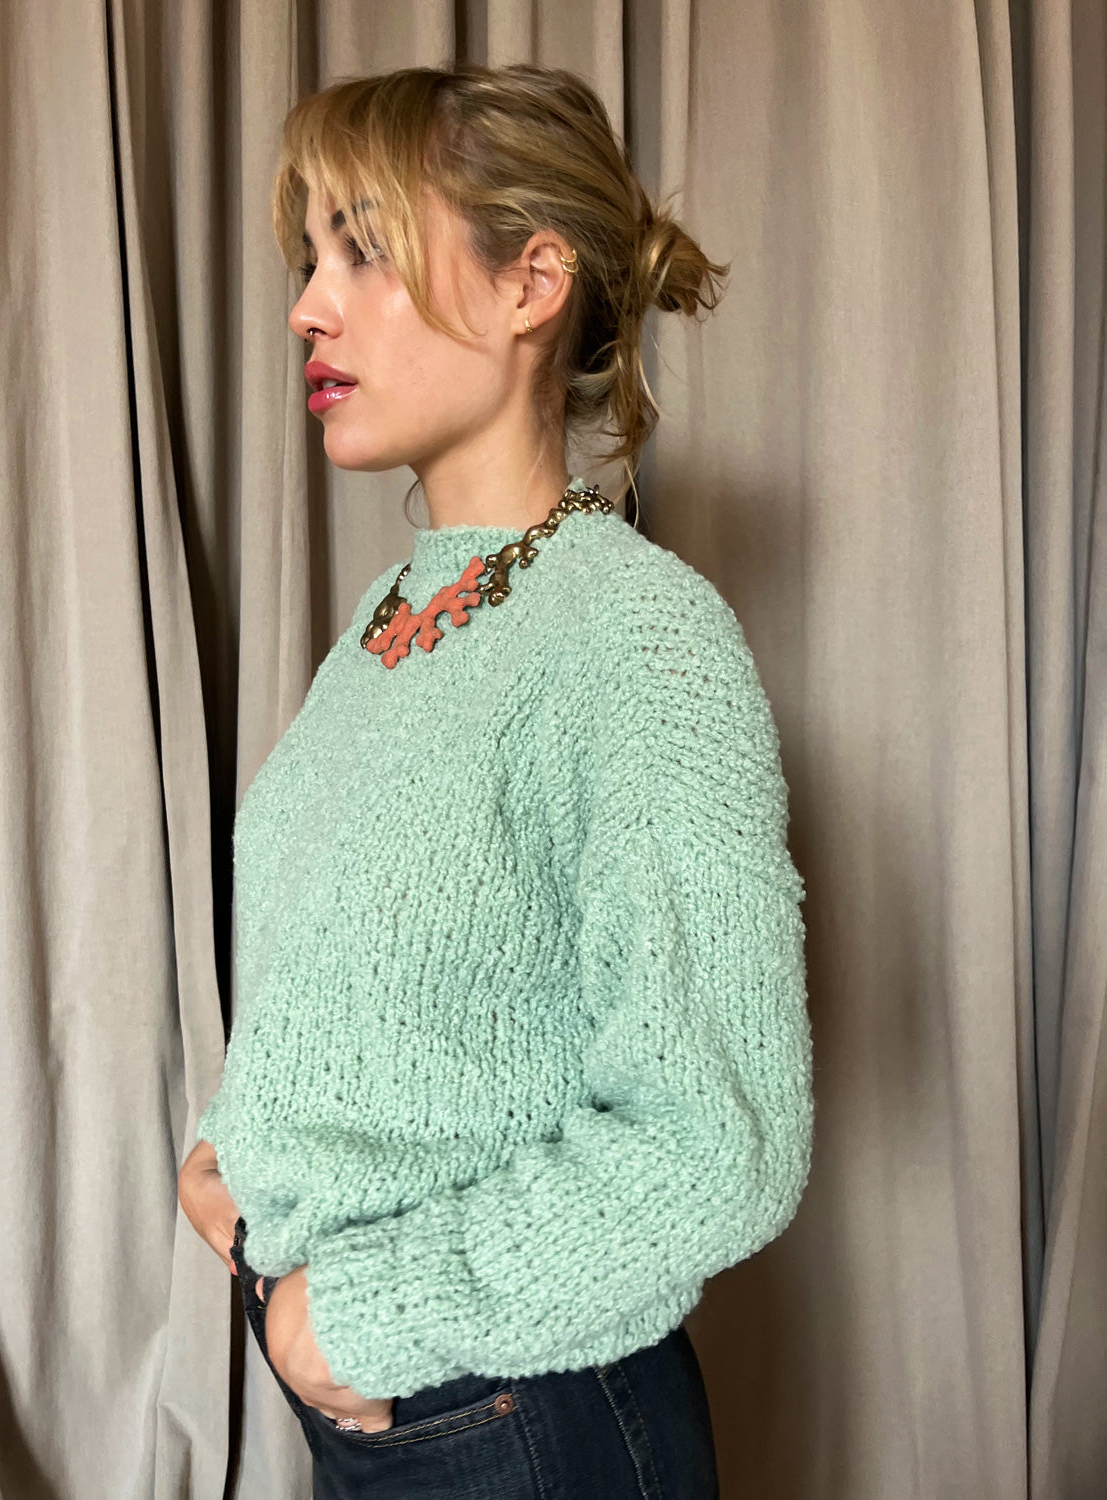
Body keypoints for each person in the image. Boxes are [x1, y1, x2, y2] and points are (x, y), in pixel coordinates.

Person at [178, 60, 812, 1499]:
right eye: (308, 258)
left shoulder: (638, 634)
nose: (308, 307)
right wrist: (237, 1150)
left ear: (533, 281)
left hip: (531, 1418)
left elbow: (721, 1139)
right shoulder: (389, 619)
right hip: (395, 1411)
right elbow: (387, 980)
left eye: (364, 250)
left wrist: (360, 1315)